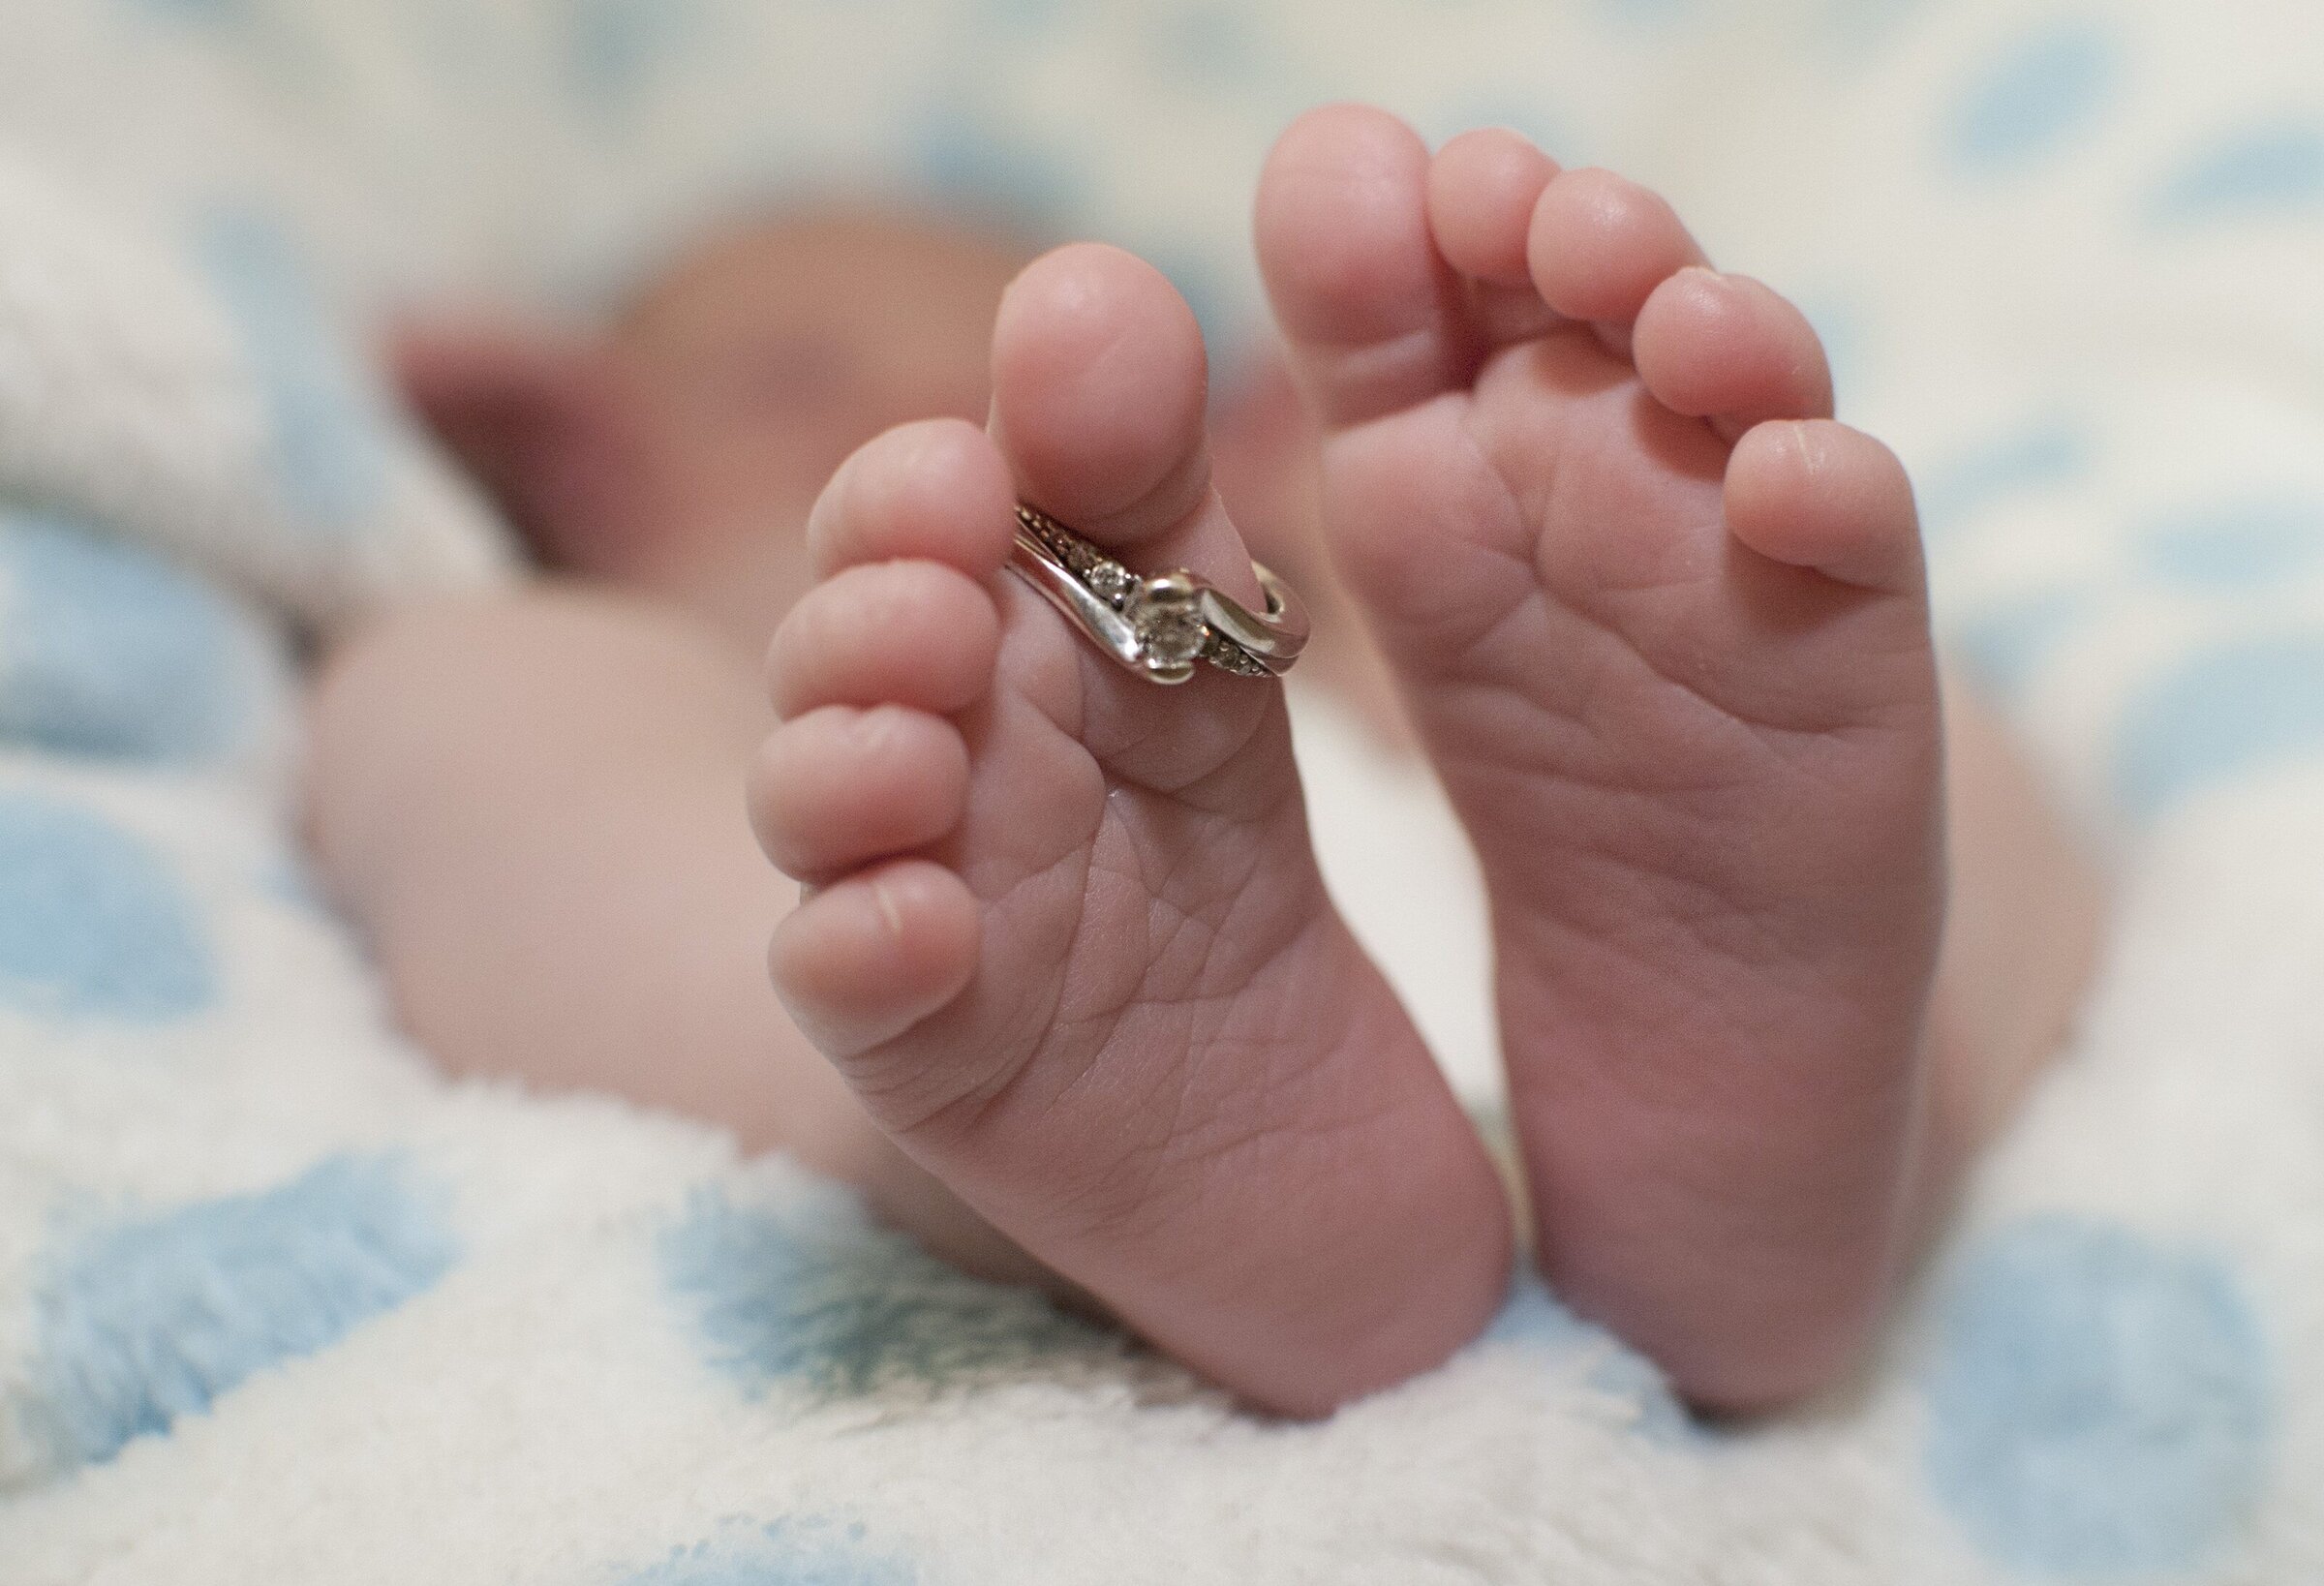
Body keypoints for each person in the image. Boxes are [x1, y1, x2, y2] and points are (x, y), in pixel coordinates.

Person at [305, 105, 2103, 1419]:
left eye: (1116, 393)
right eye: (796, 375)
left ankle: (1806, 1140)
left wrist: (1373, 520)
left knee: (1820, 637)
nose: (963, 400)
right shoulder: (667, 610)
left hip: (1384, 842)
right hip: (955, 919)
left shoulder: (1311, 575)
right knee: (455, 685)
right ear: (578, 466)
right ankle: (973, 1132)